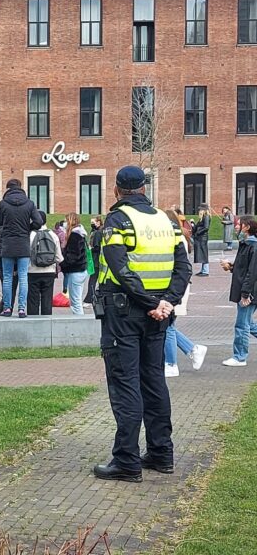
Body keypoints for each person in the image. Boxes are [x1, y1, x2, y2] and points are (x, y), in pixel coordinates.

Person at [93, 166, 191, 482]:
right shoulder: (165, 220)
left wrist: (151, 303)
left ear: (117, 189)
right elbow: (183, 267)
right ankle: (161, 454)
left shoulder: (118, 220)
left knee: (125, 383)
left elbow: (121, 270)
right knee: (153, 381)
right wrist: (167, 302)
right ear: (144, 188)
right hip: (158, 316)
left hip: (125, 315)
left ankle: (126, 461)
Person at [163, 209, 207, 377]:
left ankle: (171, 363)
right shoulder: (181, 237)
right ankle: (193, 349)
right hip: (178, 285)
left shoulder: (176, 238)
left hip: (176, 286)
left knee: (168, 325)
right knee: (169, 325)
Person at [0, 178, 43, 318]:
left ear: (9, 188)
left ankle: (7, 308)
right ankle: (21, 309)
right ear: (20, 187)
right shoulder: (29, 204)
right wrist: (28, 228)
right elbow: (38, 221)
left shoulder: (3, 204)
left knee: (7, 277)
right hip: (23, 244)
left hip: (7, 243)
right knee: (23, 277)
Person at [220, 216, 257, 367]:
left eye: (239, 225)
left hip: (249, 291)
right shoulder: (246, 244)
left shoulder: (253, 246)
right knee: (248, 322)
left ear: (247, 227)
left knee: (242, 325)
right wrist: (231, 267)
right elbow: (243, 268)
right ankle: (239, 355)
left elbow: (252, 272)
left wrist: (245, 294)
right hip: (247, 288)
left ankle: (240, 356)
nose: (236, 227)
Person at [27, 212, 63, 316]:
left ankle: (33, 324)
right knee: (47, 300)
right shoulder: (53, 235)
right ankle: (47, 324)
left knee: (33, 300)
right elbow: (59, 258)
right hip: (49, 271)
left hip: (32, 271)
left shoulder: (31, 235)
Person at [61, 213, 89, 315]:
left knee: (75, 302)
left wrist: (63, 263)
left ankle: (79, 325)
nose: (64, 223)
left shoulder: (74, 235)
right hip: (81, 270)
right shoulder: (80, 234)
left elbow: (73, 256)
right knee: (77, 300)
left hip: (75, 271)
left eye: (66, 221)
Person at [84, 217, 103, 305]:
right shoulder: (97, 231)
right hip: (98, 259)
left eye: (93, 222)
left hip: (96, 259)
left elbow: (97, 246)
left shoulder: (98, 233)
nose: (92, 224)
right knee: (96, 279)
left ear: (98, 222)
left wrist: (90, 249)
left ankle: (89, 298)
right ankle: (93, 297)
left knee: (93, 279)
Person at [192, 204, 210, 276]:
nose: (199, 211)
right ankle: (203, 270)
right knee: (202, 254)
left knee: (204, 254)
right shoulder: (203, 217)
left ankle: (206, 271)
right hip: (200, 237)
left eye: (200, 209)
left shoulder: (206, 217)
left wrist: (197, 233)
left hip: (202, 237)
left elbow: (206, 227)